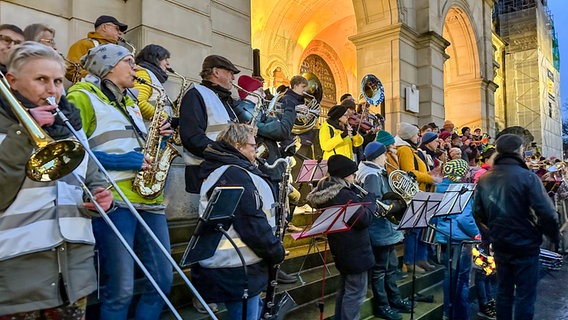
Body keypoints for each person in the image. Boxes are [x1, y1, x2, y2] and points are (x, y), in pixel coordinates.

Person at [0, 41, 113, 318]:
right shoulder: (7, 130)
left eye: (58, 81)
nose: (52, 90)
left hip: (74, 274)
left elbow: (92, 177)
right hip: (19, 275)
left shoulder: (72, 127)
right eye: (41, 80)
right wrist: (23, 134)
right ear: (12, 81)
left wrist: (99, 197)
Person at [67, 44, 173, 320]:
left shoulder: (130, 101)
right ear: (109, 66)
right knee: (121, 290)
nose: (136, 68)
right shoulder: (81, 96)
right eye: (129, 61)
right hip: (115, 201)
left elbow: (130, 145)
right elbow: (72, 151)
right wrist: (123, 161)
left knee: (162, 283)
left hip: (149, 200)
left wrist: (156, 140)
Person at [194, 123, 285, 320]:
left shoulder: (230, 170)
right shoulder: (232, 173)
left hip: (241, 265)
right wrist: (275, 250)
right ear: (238, 146)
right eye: (253, 146)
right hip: (236, 267)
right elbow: (250, 222)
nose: (257, 151)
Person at [473, 133, 560, 320]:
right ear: (518, 151)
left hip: (501, 244)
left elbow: (477, 213)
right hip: (525, 245)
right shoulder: (527, 177)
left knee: (503, 293)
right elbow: (548, 213)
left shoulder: (485, 178)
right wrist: (553, 237)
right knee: (525, 296)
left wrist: (490, 236)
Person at [307, 154, 376, 320]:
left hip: (343, 250)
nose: (354, 178)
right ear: (345, 175)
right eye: (352, 175)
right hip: (355, 252)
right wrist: (370, 201)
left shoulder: (332, 191)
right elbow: (363, 219)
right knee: (355, 294)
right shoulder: (343, 195)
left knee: (346, 290)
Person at [355, 142, 411, 320]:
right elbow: (377, 206)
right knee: (380, 270)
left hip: (386, 230)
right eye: (384, 155)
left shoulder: (373, 171)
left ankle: (394, 299)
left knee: (391, 267)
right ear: (378, 156)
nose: (386, 158)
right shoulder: (371, 174)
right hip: (379, 230)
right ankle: (383, 305)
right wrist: (399, 203)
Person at [179, 54, 240, 194]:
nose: (233, 78)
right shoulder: (196, 94)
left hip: (225, 169)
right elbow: (192, 137)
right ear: (216, 72)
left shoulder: (222, 98)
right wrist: (225, 153)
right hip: (206, 170)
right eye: (230, 73)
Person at [432, 159, 480, 320]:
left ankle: (447, 312)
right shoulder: (463, 190)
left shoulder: (439, 188)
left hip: (444, 237)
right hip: (460, 239)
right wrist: (476, 233)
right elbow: (465, 218)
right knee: (462, 278)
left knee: (448, 275)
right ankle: (460, 314)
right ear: (461, 173)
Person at [395, 122, 441, 273]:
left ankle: (421, 258)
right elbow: (409, 172)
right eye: (415, 134)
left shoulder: (411, 150)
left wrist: (431, 174)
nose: (417, 137)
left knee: (422, 229)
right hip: (415, 194)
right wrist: (431, 178)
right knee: (414, 230)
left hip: (421, 193)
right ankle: (410, 261)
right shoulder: (405, 150)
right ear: (409, 136)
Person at [65, 15, 127, 82]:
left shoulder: (119, 50)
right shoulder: (84, 44)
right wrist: (97, 80)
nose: (120, 33)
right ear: (104, 27)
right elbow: (71, 69)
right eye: (117, 29)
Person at [133, 44, 173, 120]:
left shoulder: (151, 75)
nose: (168, 64)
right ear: (155, 59)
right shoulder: (143, 74)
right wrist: (166, 118)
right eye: (165, 59)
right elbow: (138, 102)